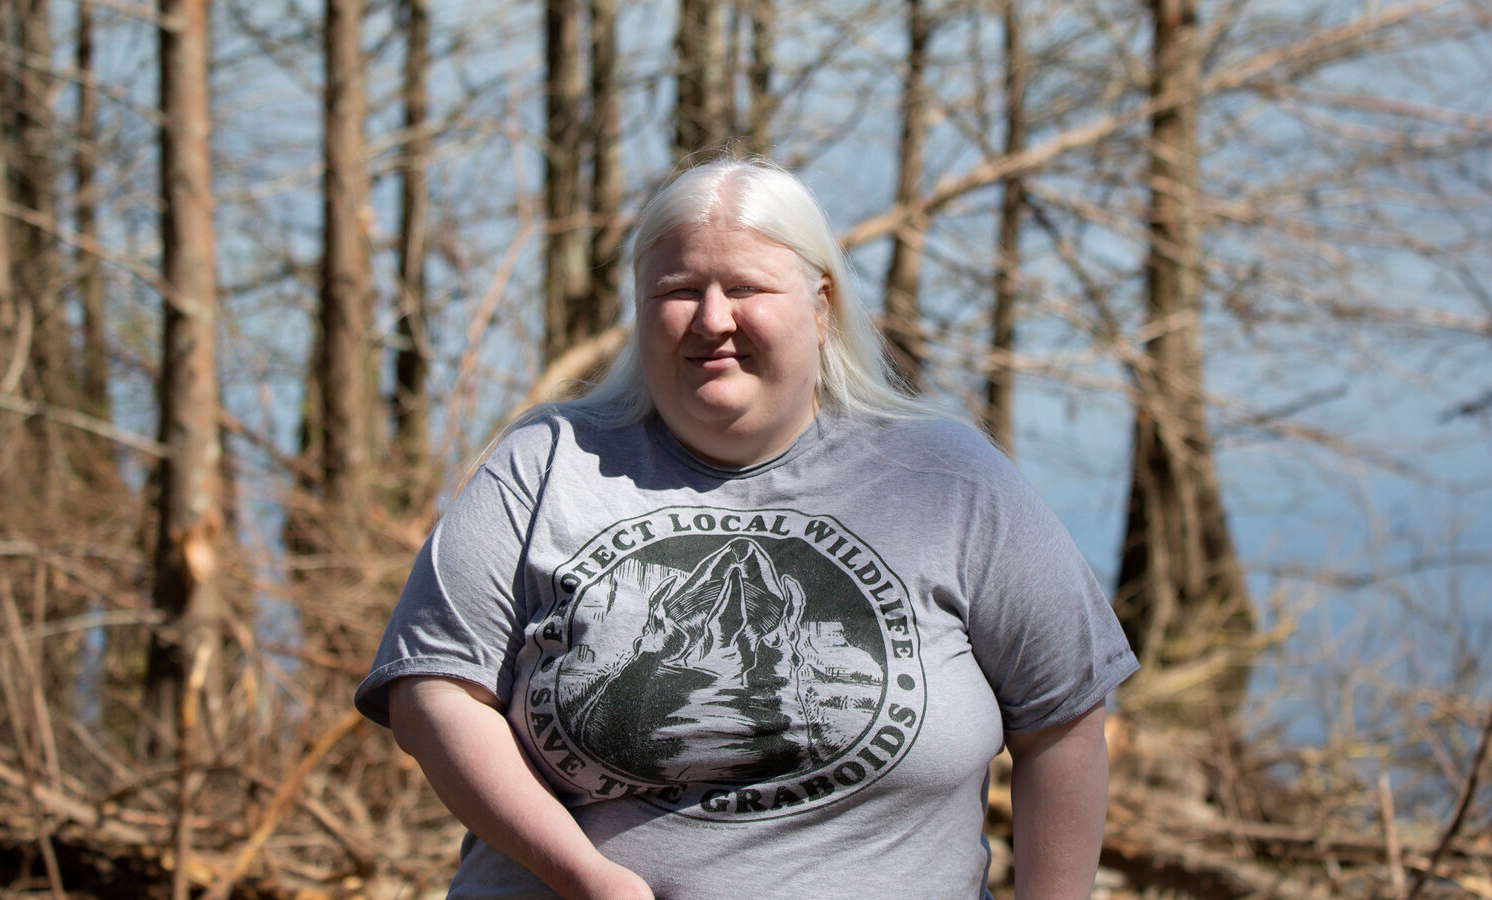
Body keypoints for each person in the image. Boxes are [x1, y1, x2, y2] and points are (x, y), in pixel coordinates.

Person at [355, 158, 1138, 900]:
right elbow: (435, 693)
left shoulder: (949, 480)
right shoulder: (543, 464)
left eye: (747, 287)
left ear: (822, 304)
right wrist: (585, 877)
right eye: (679, 288)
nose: (712, 318)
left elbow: (1062, 725)